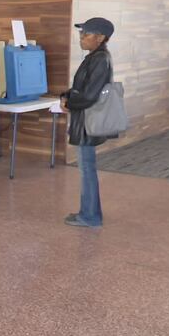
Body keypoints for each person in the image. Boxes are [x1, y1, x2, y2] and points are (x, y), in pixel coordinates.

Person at [60, 17, 116, 228]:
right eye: (81, 33)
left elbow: (90, 95)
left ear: (100, 38)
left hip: (87, 122)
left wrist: (70, 103)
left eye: (86, 34)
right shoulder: (95, 57)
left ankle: (91, 216)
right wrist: (67, 95)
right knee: (86, 169)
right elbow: (82, 88)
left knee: (87, 169)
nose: (81, 38)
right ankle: (88, 212)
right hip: (85, 119)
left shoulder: (100, 59)